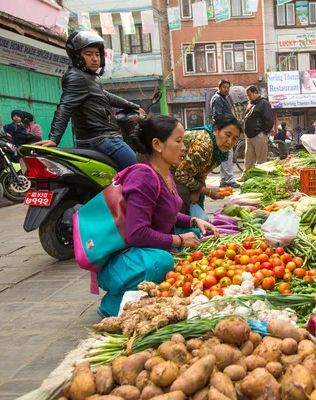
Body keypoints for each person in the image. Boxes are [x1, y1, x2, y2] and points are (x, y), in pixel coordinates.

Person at [97, 115, 219, 317]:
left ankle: (148, 285)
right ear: (157, 145)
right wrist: (178, 240)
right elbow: (137, 233)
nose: (184, 147)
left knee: (194, 231)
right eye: (178, 141)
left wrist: (193, 220)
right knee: (163, 260)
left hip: (140, 250)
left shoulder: (165, 173)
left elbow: (168, 213)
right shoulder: (144, 177)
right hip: (122, 260)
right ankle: (113, 304)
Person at [35, 31, 144, 170]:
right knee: (141, 171)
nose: (95, 58)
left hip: (95, 139)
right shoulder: (77, 77)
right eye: (89, 54)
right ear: (77, 56)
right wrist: (54, 138)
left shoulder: (88, 77)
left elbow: (106, 96)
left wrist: (135, 106)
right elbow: (65, 106)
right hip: (104, 140)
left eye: (97, 54)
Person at [174, 118, 242, 215]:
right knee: (184, 196)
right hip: (171, 171)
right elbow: (181, 174)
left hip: (185, 172)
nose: (229, 141)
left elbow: (201, 171)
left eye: (235, 138)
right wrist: (208, 192)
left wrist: (198, 191)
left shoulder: (217, 149)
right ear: (215, 131)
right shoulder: (203, 146)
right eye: (227, 135)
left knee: (197, 196)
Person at [210, 80, 240, 188]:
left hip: (225, 129)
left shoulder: (223, 99)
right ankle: (229, 179)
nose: (226, 89)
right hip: (223, 131)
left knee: (224, 154)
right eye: (224, 87)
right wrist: (229, 123)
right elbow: (217, 116)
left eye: (228, 88)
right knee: (228, 154)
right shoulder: (217, 99)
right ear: (219, 87)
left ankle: (223, 179)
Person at [243, 86, 274, 171]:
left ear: (255, 93)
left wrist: (264, 133)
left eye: (249, 95)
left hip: (259, 135)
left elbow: (269, 119)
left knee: (261, 160)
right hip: (249, 136)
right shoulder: (250, 103)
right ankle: (246, 175)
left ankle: (261, 177)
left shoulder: (264, 103)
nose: (248, 97)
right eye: (247, 96)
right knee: (248, 158)